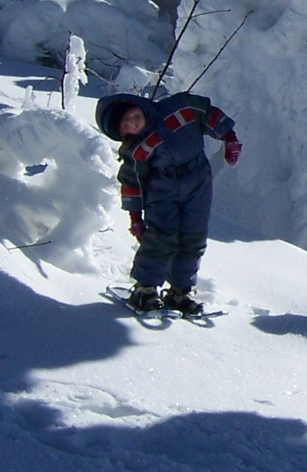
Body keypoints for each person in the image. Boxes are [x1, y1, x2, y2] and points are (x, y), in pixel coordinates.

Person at [94, 91, 242, 314]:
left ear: (133, 105)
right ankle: (145, 289)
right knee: (161, 238)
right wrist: (135, 218)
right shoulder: (136, 151)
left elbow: (207, 113)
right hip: (161, 191)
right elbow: (131, 183)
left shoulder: (179, 108)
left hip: (198, 181)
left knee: (194, 236)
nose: (131, 124)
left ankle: (180, 291)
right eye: (125, 128)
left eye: (129, 116)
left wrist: (229, 138)